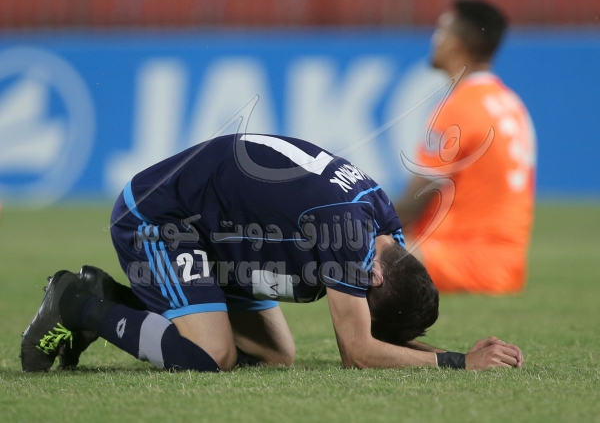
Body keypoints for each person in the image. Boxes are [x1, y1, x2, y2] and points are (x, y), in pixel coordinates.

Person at [21, 133, 523, 372]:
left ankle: (111, 297)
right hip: (161, 216)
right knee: (210, 357)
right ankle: (78, 302)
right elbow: (358, 351)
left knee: (275, 355)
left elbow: (372, 335)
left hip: (224, 233)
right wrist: (458, 363)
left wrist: (451, 355)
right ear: (374, 277)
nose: (347, 298)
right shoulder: (349, 234)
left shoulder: (383, 226)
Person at [395, 0, 536, 294]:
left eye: (440, 32)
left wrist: (354, 227)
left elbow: (414, 205)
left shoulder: (458, 109)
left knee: (360, 252)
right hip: (506, 262)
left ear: (455, 46)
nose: (435, 39)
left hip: (464, 256)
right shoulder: (511, 103)